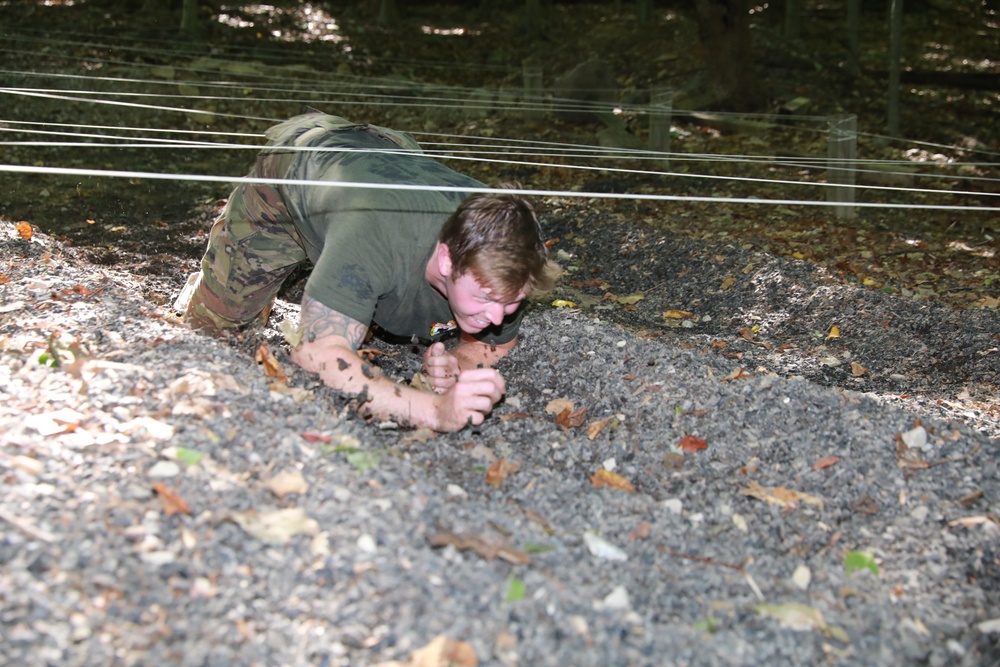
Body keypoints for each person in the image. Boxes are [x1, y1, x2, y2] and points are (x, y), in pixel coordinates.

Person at [182, 112, 560, 433]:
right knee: (215, 333)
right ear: (446, 260)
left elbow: (491, 344)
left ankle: (340, 289)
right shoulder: (375, 239)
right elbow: (316, 357)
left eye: (512, 304)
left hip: (391, 154)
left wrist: (453, 367)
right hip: (299, 169)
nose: (498, 317)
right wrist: (433, 411)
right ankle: (218, 272)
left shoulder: (505, 255)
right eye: (484, 299)